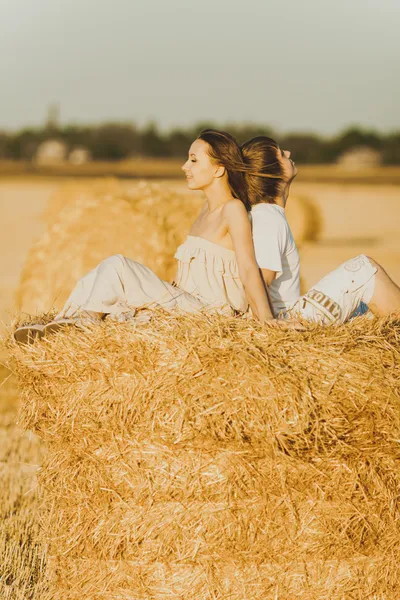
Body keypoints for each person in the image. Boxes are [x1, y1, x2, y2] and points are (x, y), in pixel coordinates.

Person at [14, 130, 279, 345]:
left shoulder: (232, 210)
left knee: (118, 265)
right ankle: (60, 326)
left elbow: (248, 267)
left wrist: (266, 320)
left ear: (219, 169)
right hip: (186, 303)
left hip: (210, 313)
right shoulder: (203, 214)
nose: (185, 166)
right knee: (95, 279)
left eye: (194, 160)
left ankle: (84, 324)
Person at [242, 135, 400, 324]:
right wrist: (270, 326)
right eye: (281, 154)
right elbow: (259, 281)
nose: (289, 153)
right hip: (288, 318)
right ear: (271, 172)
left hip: (291, 314)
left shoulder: (266, 214)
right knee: (363, 269)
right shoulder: (268, 217)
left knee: (365, 311)